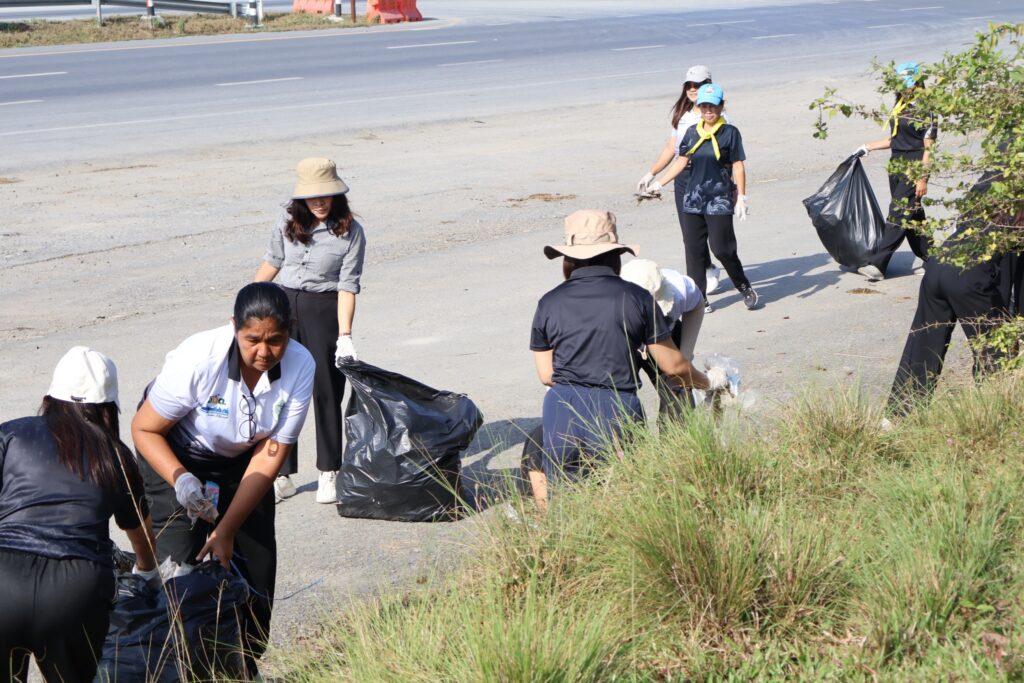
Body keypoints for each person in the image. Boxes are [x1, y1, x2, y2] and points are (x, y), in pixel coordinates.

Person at [131, 282, 315, 679]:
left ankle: (243, 663)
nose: (264, 352)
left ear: (290, 332)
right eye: (252, 340)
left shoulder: (301, 365)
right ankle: (186, 669)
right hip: (175, 453)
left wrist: (227, 529)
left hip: (245, 462)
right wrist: (181, 479)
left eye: (276, 341)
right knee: (183, 570)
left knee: (256, 568)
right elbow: (144, 429)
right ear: (234, 327)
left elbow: (271, 454)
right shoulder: (200, 358)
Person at [529, 210, 722, 502]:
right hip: (616, 407)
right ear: (616, 257)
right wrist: (709, 382)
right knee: (622, 497)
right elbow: (673, 366)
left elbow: (546, 375)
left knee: (567, 503)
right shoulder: (636, 298)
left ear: (567, 260)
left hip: (562, 408)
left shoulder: (549, 302)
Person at [1, 347, 157, 683]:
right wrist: (147, 571)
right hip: (76, 588)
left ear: (50, 397)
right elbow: (142, 535)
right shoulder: (115, 454)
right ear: (109, 408)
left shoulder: (10, 433)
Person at [254, 157, 367, 505]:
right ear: (301, 197)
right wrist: (249, 304)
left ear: (337, 194)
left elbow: (347, 286)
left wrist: (345, 335)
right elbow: (273, 261)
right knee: (278, 389)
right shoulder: (286, 220)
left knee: (326, 391)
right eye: (312, 196)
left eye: (326, 194)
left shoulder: (351, 232)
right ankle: (281, 473)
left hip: (324, 309)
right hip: (283, 306)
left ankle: (328, 471)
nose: (319, 201)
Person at [886, 172, 1019, 416]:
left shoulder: (990, 179)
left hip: (938, 266)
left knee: (923, 346)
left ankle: (899, 416)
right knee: (996, 351)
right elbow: (1009, 280)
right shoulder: (1014, 217)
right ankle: (995, 415)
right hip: (970, 277)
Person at [645, 83, 759, 311]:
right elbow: (681, 161)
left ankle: (743, 285)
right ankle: (698, 298)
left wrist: (742, 197)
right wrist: (659, 182)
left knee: (722, 248)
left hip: (719, 199)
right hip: (693, 199)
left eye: (713, 106)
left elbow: (738, 165)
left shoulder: (730, 133)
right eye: (704, 106)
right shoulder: (692, 132)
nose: (708, 111)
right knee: (694, 249)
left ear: (721, 106)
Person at [637, 64, 724, 310]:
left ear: (708, 85)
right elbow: (672, 149)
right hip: (684, 178)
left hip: (709, 178)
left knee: (716, 238)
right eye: (689, 85)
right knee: (690, 235)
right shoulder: (682, 115)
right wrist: (652, 173)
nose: (693, 89)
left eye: (698, 85)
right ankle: (699, 290)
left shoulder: (714, 115)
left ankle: (715, 267)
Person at [854, 61, 937, 281]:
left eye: (907, 84)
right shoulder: (900, 105)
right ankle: (934, 260)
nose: (903, 88)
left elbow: (929, 148)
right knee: (913, 214)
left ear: (917, 83)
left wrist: (922, 178)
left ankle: (878, 265)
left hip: (914, 165)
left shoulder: (926, 110)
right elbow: (895, 139)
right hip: (896, 164)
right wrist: (867, 147)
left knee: (898, 212)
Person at [620, 258, 705, 420]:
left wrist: (685, 354)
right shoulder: (609, 303)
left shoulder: (680, 288)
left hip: (666, 337)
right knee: (618, 399)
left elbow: (697, 306)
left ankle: (674, 435)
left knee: (680, 396)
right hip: (625, 342)